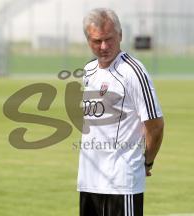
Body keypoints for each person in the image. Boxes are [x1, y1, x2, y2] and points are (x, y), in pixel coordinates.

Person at [77, 8, 164, 216]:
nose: (104, 47)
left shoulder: (133, 72)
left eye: (109, 39)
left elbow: (155, 125)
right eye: (97, 41)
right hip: (89, 182)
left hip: (121, 183)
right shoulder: (88, 71)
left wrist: (147, 162)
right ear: (88, 39)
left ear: (120, 35)